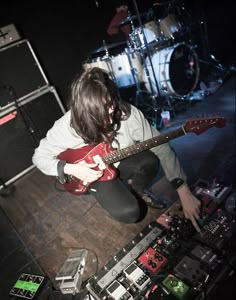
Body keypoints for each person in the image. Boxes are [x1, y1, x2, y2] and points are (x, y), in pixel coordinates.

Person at [32, 67, 201, 231]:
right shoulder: (67, 126)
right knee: (131, 213)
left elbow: (161, 147)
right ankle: (101, 190)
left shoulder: (129, 115)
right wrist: (72, 168)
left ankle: (137, 189)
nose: (111, 112)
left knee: (149, 160)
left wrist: (183, 190)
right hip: (91, 176)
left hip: (115, 162)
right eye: (100, 112)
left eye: (110, 103)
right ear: (84, 113)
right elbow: (39, 157)